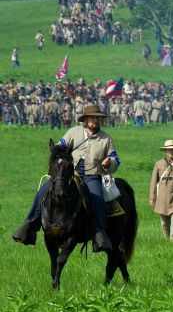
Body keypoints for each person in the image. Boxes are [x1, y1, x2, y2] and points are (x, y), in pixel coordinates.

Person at [12, 104, 119, 251]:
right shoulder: (73, 132)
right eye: (92, 117)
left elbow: (115, 160)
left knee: (97, 201)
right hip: (69, 174)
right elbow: (59, 146)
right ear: (86, 119)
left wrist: (108, 163)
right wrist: (59, 153)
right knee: (42, 193)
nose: (95, 120)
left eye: (98, 118)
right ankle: (29, 225)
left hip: (92, 176)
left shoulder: (106, 139)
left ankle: (99, 234)